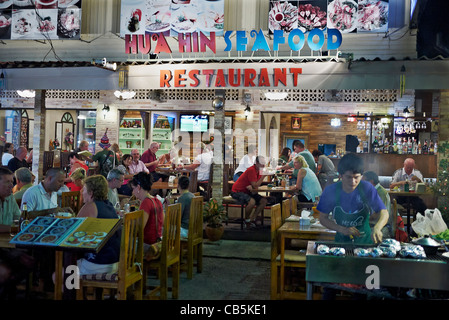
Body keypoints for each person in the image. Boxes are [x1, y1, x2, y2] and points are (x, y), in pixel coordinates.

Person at [317, 153, 388, 245]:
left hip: (365, 242)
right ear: (341, 175)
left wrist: (377, 227)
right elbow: (323, 218)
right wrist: (342, 229)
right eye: (348, 177)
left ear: (361, 176)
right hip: (341, 243)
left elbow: (384, 212)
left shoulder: (367, 188)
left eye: (356, 177)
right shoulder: (331, 191)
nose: (353, 181)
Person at [0, 167, 34, 299]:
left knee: (29, 262)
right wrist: (14, 228)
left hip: (5, 248)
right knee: (7, 271)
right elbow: (15, 226)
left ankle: (9, 292)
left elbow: (18, 220)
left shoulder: (10, 199)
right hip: (3, 248)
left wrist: (26, 223)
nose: (11, 185)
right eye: (7, 182)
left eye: (12, 181)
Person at [76, 175, 121, 275]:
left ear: (91, 193)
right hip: (114, 262)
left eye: (84, 189)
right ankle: (82, 289)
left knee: (58, 274)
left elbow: (73, 232)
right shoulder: (109, 205)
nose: (82, 192)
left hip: (98, 264)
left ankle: (72, 289)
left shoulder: (90, 206)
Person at [129, 172, 164, 258]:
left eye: (133, 188)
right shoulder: (157, 200)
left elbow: (139, 228)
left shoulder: (146, 203)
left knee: (121, 243)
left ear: (138, 187)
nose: (133, 192)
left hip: (149, 245)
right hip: (158, 242)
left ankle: (131, 269)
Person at [230, 156, 268, 229]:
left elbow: (255, 186)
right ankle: (247, 221)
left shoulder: (259, 171)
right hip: (237, 191)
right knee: (252, 202)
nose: (263, 165)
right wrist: (263, 177)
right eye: (262, 163)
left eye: (264, 163)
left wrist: (254, 186)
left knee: (264, 201)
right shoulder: (251, 170)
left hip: (247, 191)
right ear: (256, 163)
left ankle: (252, 219)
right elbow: (256, 185)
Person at [363, 171, 394, 239]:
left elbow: (378, 214)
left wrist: (364, 220)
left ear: (371, 182)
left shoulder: (381, 193)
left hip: (381, 227)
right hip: (371, 224)